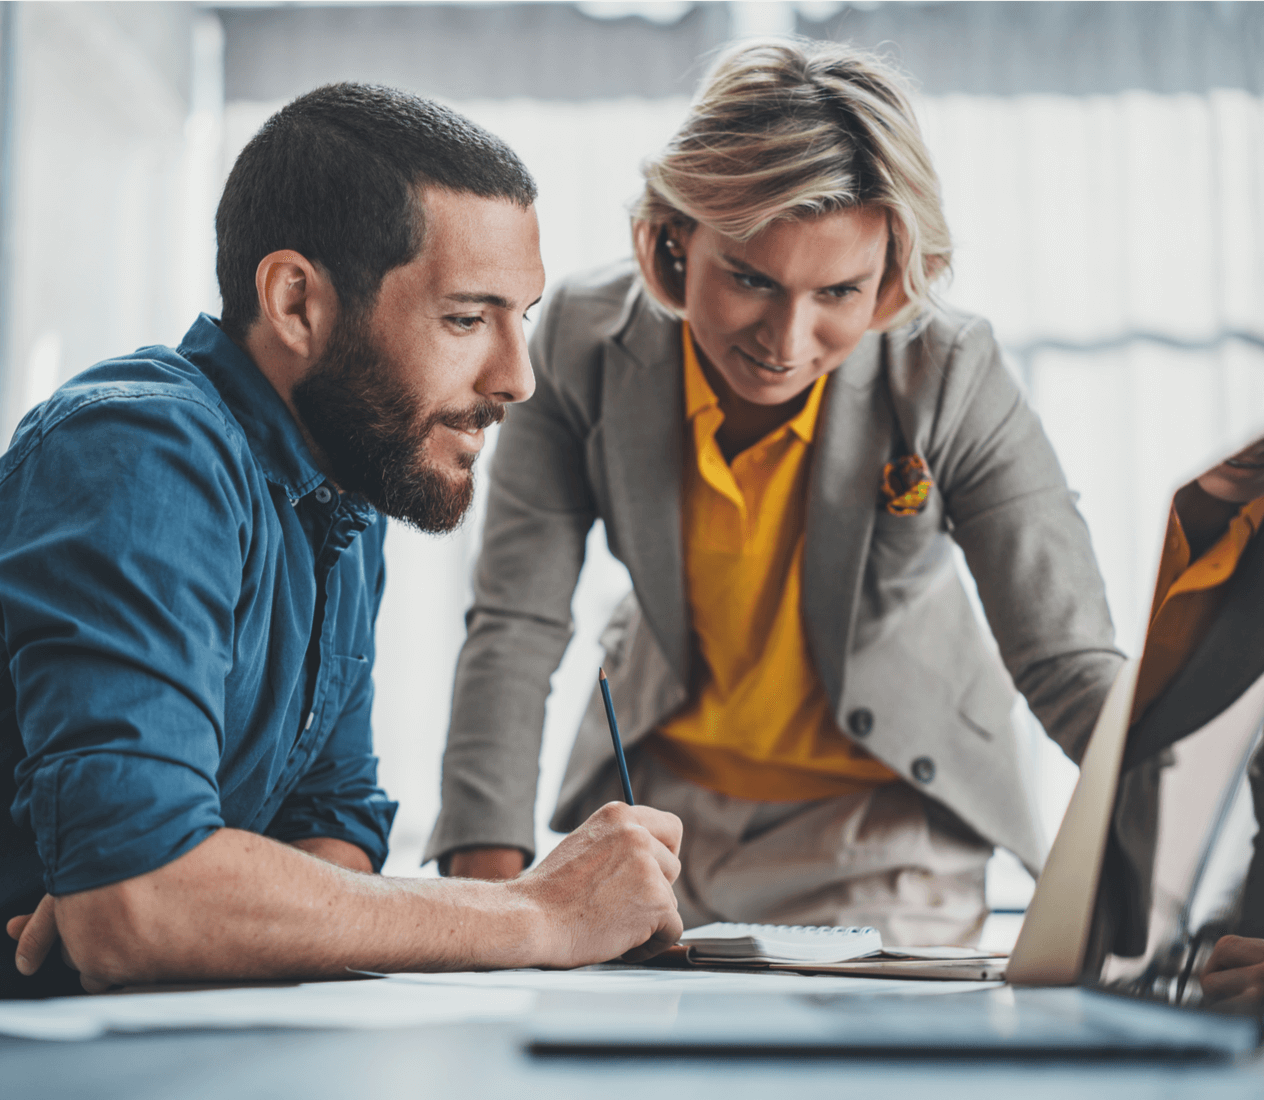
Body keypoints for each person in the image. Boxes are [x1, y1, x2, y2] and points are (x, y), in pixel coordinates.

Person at [426, 38, 1125, 946]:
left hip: (881, 827)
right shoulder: (579, 347)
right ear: (676, 240)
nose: (787, 341)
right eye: (750, 279)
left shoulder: (948, 371)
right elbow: (517, 621)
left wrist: (1197, 859)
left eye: (839, 290)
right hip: (659, 814)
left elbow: (1068, 665)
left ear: (892, 271)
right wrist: (490, 895)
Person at [1, 84, 683, 999]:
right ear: (296, 302)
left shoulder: (345, 492)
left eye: (522, 317)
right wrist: (539, 913)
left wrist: (188, 896)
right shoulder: (142, 452)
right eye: (466, 318)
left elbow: (329, 822)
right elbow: (138, 906)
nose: (518, 378)